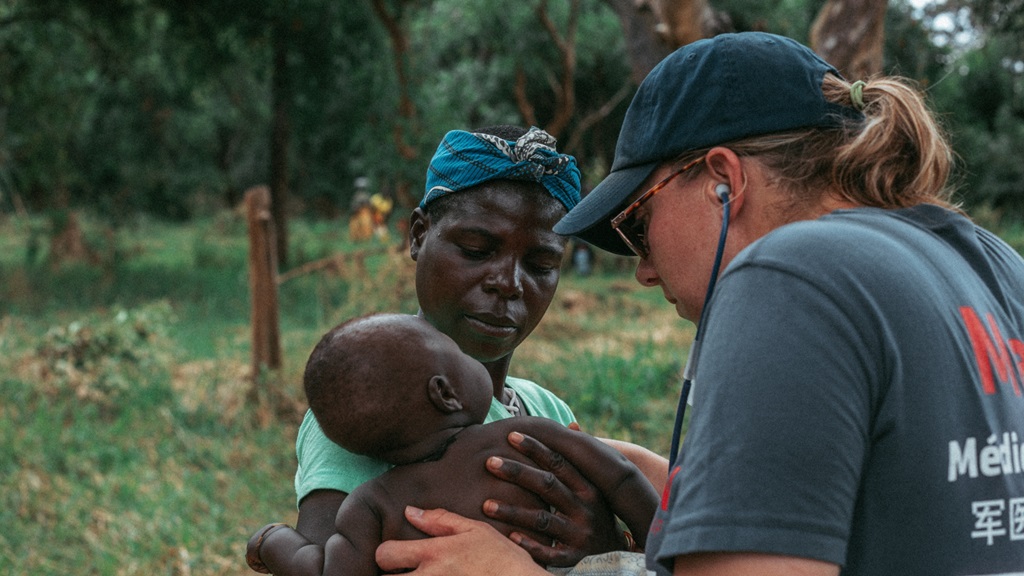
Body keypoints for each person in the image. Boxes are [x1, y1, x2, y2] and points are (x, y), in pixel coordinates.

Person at [372, 32, 1024, 576]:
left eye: (638, 225)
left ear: (722, 180)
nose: (644, 272)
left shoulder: (790, 275)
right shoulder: (992, 264)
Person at [252, 125, 669, 570]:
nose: (508, 283)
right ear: (417, 235)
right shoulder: (368, 404)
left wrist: (604, 542)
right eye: (475, 250)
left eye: (541, 264)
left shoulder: (546, 409)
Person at [246, 313, 658, 576]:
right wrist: (662, 548)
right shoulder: (527, 434)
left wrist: (272, 540)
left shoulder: (373, 505)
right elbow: (622, 476)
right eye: (460, 353)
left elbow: (325, 571)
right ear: (445, 394)